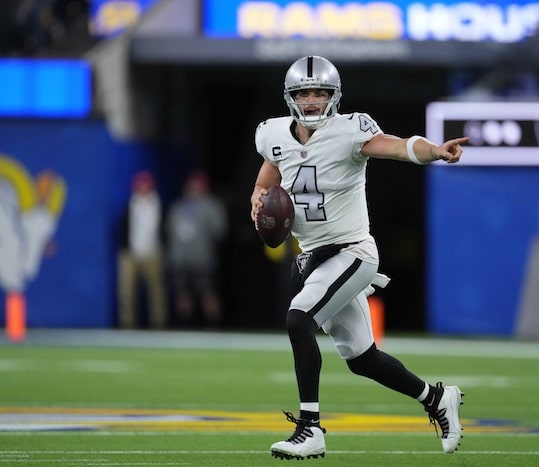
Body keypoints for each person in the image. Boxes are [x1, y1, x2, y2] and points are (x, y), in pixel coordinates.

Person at [250, 55, 469, 460]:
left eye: (320, 93)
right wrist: (258, 198)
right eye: (304, 93)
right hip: (314, 257)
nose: (313, 101)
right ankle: (437, 398)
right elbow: (269, 174)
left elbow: (398, 147)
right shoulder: (273, 134)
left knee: (299, 318)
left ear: (334, 97)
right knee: (362, 359)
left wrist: (435, 150)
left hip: (352, 251)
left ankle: (310, 429)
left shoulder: (351, 130)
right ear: (290, 97)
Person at [166, 170, 227, 328]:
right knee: (182, 294)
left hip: (202, 259)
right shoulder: (178, 207)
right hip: (180, 258)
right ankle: (185, 326)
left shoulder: (211, 206)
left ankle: (213, 326)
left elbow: (220, 230)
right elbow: (169, 231)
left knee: (208, 293)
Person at [117, 171, 167, 329]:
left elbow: (164, 229)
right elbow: (123, 228)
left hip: (153, 254)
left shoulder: (158, 204)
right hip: (131, 255)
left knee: (156, 292)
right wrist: (125, 249)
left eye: (146, 185)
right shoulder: (131, 204)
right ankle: (127, 324)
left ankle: (158, 324)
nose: (143, 188)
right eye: (141, 185)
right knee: (127, 293)